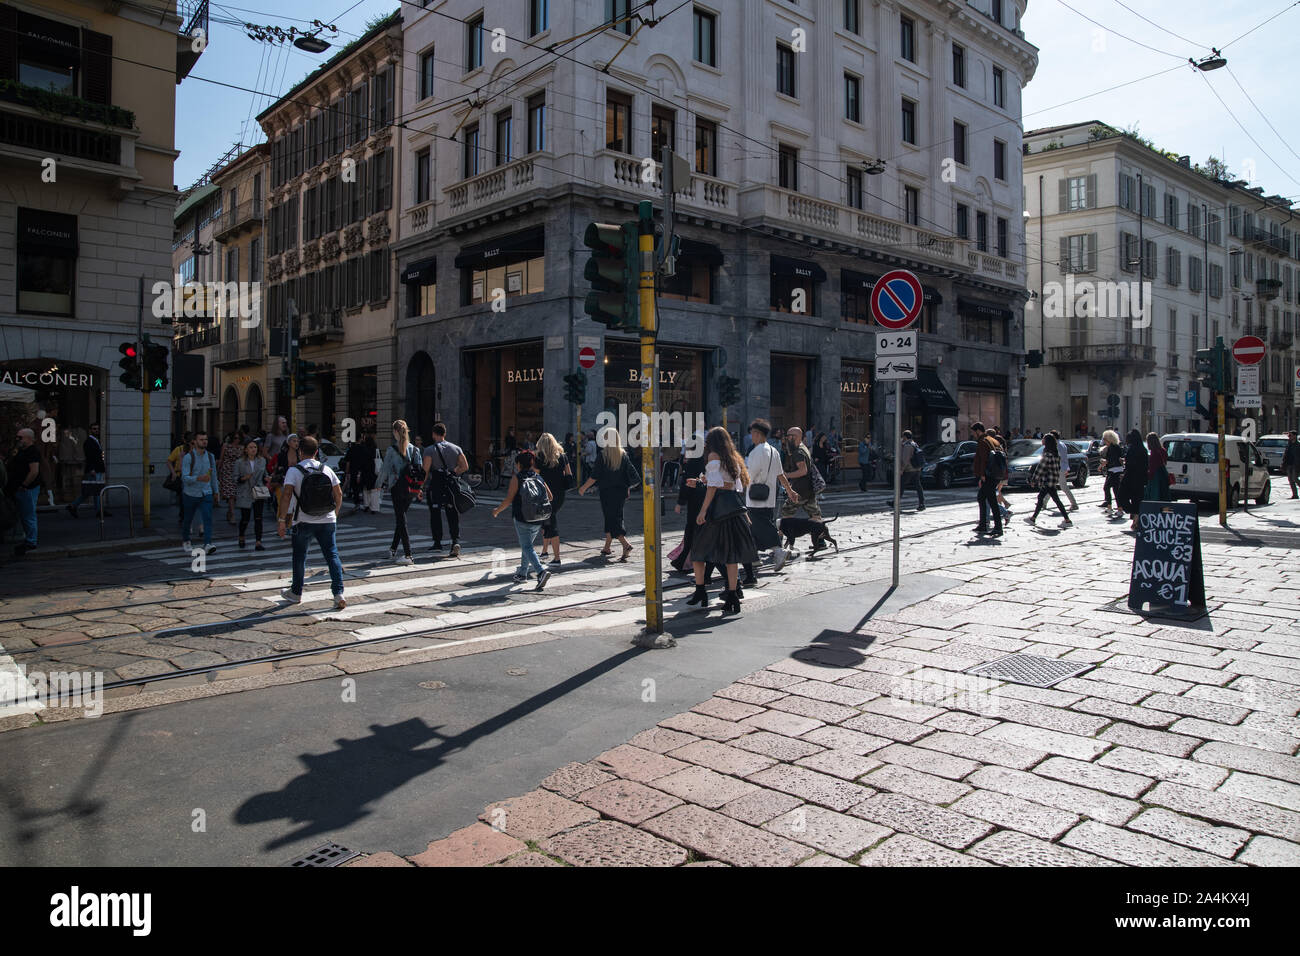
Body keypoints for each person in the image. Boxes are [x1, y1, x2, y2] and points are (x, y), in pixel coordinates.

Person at [688, 427, 758, 616]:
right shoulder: (733, 457)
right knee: (730, 556)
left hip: (717, 509)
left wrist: (702, 511)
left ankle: (701, 590)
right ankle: (733, 596)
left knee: (698, 551)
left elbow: (713, 487)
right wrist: (703, 481)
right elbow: (735, 485)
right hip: (733, 508)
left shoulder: (713, 456)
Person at [277, 435, 346, 610]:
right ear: (316, 452)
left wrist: (282, 520)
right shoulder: (327, 470)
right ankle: (338, 594)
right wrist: (335, 514)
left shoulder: (294, 471)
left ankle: (296, 592)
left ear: (300, 452)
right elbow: (338, 494)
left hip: (303, 520)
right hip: (327, 519)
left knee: (300, 557)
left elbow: (286, 496)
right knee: (332, 555)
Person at [491, 449, 554, 589]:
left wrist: (497, 511)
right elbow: (550, 497)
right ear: (531, 463)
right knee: (528, 546)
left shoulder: (517, 478)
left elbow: (508, 500)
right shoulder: (538, 477)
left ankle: (540, 572)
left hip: (522, 517)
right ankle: (522, 574)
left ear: (518, 464)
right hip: (538, 518)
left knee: (526, 546)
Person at [577, 425, 639, 561]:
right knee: (615, 517)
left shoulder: (603, 455)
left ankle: (625, 544)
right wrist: (627, 487)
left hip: (607, 492)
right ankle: (607, 547)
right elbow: (632, 474)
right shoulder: (623, 455)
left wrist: (583, 488)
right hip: (621, 492)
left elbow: (594, 476)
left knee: (612, 519)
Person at [745, 418, 796, 577]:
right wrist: (790, 491)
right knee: (755, 527)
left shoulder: (755, 452)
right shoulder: (774, 451)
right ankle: (753, 557)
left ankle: (778, 551)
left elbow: (749, 475)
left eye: (753, 433)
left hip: (755, 498)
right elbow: (781, 474)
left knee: (761, 526)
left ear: (758, 434)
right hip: (769, 497)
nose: (751, 436)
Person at [420, 423, 468, 556]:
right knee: (452, 512)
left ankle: (437, 542)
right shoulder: (456, 448)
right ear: (444, 433)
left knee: (435, 513)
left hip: (436, 484)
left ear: (434, 434)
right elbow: (465, 466)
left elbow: (425, 470)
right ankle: (455, 541)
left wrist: (420, 487)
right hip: (451, 484)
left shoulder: (429, 450)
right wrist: (453, 472)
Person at [379, 420, 422, 565]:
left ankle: (408, 554)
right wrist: (420, 488)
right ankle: (392, 549)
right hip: (411, 489)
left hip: (397, 486)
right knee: (401, 517)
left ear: (396, 432)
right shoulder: (415, 450)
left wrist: (378, 485)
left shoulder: (392, 450)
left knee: (401, 519)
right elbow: (420, 471)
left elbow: (384, 470)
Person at [671, 431, 708, 576]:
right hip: (705, 499)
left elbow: (686, 484)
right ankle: (684, 560)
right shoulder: (706, 460)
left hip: (695, 501)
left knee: (692, 530)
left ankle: (684, 560)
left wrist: (680, 502)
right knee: (697, 530)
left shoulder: (693, 462)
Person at [534, 433, 572, 567]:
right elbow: (569, 475)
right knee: (546, 522)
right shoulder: (562, 457)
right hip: (559, 494)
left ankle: (557, 558)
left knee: (551, 524)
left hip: (544, 495)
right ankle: (544, 551)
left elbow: (535, 477)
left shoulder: (539, 458)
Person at [180, 430, 220, 554]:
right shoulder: (188, 457)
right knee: (188, 519)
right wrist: (198, 478)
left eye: (206, 439)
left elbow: (213, 475)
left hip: (206, 492)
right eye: (201, 439)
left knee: (207, 518)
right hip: (191, 493)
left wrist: (216, 491)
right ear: (195, 442)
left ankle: (207, 543)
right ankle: (186, 540)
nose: (204, 442)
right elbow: (184, 478)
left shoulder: (210, 456)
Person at [7, 428, 41, 556]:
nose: (18, 439)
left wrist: (24, 485)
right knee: (24, 515)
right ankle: (28, 539)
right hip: (20, 488)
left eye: (20, 437)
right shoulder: (22, 451)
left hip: (27, 488)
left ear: (29, 438)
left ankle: (31, 541)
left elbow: (34, 471)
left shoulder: (32, 452)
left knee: (28, 515)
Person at [1026, 434, 1072, 526]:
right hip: (1053, 480)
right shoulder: (1055, 454)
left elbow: (1040, 468)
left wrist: (1033, 480)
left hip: (1047, 481)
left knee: (1054, 500)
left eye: (1043, 439)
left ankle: (1067, 520)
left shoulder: (1047, 455)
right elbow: (1057, 468)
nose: (1042, 440)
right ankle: (1033, 518)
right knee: (1042, 498)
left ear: (1047, 442)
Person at [65, 423, 108, 519]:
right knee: (94, 491)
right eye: (94, 429)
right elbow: (90, 457)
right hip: (94, 470)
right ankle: (98, 511)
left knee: (91, 491)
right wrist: (92, 469)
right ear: (90, 430)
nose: (96, 430)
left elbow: (99, 456)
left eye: (97, 429)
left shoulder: (96, 441)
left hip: (98, 469)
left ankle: (74, 506)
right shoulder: (89, 442)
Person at [780, 426, 821, 520]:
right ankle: (821, 532)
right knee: (814, 513)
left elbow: (803, 471)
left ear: (794, 437)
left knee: (787, 511)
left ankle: (782, 533)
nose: (786, 439)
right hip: (808, 489)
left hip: (799, 489)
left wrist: (786, 475)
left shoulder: (798, 452)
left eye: (788, 437)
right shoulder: (803, 448)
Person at [971, 422, 1004, 537]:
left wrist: (982, 474)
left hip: (988, 475)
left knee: (991, 501)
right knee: (982, 497)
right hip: (995, 473)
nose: (973, 435)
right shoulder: (993, 440)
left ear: (978, 431)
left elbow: (983, 459)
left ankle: (997, 527)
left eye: (974, 432)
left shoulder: (983, 441)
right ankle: (983, 524)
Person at [234, 439, 268, 550]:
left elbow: (264, 474)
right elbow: (235, 478)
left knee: (258, 517)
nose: (253, 449)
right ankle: (241, 536)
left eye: (255, 447)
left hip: (258, 491)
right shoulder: (239, 462)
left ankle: (258, 541)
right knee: (245, 518)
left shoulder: (262, 460)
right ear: (246, 450)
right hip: (245, 491)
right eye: (251, 447)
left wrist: (267, 478)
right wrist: (243, 478)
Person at [1121, 429, 1149, 531]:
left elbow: (1130, 464)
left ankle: (1136, 516)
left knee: (1122, 496)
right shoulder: (1143, 449)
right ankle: (1136, 516)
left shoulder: (1132, 449)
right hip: (1140, 479)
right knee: (1137, 499)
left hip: (1131, 478)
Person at [1050, 429, 1079, 511]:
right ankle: (1043, 503)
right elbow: (1065, 457)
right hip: (1062, 467)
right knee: (1051, 486)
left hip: (1058, 468)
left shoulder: (1056, 445)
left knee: (1063, 487)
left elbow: (1057, 457)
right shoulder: (1062, 444)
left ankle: (1074, 504)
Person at [1099, 429, 1125, 517]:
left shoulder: (1112, 448)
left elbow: (1111, 459)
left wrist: (1104, 462)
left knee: (1107, 488)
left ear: (1109, 439)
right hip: (1115, 470)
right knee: (1115, 490)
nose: (1104, 441)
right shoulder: (1116, 447)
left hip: (1114, 471)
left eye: (1105, 439)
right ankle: (1118, 508)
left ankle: (1111, 507)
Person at [899, 430, 926, 511]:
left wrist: (901, 469)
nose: (902, 438)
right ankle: (922, 503)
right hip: (917, 469)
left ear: (905, 437)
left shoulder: (907, 445)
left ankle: (895, 503)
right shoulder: (914, 444)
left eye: (902, 436)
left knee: (901, 486)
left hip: (909, 469)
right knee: (918, 486)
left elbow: (905, 459)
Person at [1144, 432, 1172, 506]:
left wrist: (1148, 476)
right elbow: (1165, 462)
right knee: (1164, 496)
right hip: (1163, 475)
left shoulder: (1154, 452)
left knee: (1155, 496)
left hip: (1156, 477)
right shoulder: (1163, 450)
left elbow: (1153, 467)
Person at [219, 432, 241, 523]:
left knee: (235, 494)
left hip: (237, 471)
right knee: (230, 493)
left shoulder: (241, 448)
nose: (237, 440)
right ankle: (232, 514)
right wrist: (218, 470)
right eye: (235, 438)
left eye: (238, 438)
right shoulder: (226, 446)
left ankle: (229, 511)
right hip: (227, 471)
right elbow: (221, 458)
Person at [1284, 431, 1299, 499]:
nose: (1289, 437)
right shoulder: (1289, 444)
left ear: (1295, 436)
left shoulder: (1298, 445)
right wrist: (1283, 462)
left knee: (1295, 479)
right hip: (1289, 464)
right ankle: (1295, 495)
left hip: (1296, 464)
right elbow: (1286, 454)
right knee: (1290, 480)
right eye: (1289, 435)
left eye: (1290, 435)